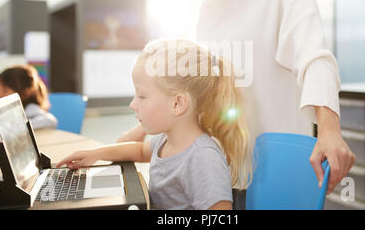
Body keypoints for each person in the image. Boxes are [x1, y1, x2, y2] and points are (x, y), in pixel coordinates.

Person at [117, 0, 355, 195]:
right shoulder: (208, 10)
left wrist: (329, 129)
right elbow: (198, 87)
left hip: (277, 161)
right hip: (220, 165)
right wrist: (143, 130)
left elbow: (314, 60)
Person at [56, 39, 253, 210]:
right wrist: (95, 154)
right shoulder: (166, 140)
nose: (132, 104)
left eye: (142, 95)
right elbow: (139, 150)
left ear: (177, 104)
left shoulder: (203, 158)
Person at [0, 65, 57, 130]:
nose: (0, 95)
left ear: (24, 92)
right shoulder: (4, 106)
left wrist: (13, 126)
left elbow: (51, 120)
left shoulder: (30, 109)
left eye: (5, 91)